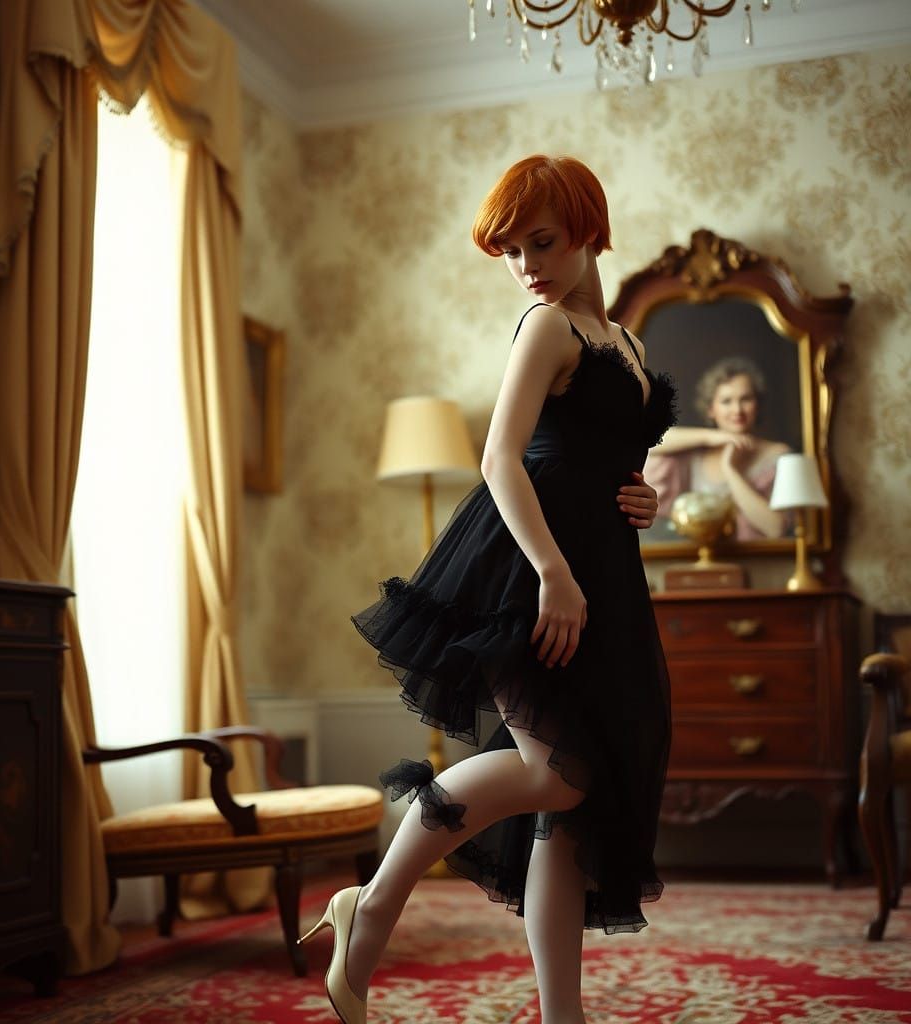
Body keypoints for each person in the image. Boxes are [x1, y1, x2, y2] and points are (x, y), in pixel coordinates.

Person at [298, 155, 677, 1024]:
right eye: (510, 252)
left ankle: (561, 1016)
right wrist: (552, 573)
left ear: (589, 229)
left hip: (605, 576)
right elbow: (499, 458)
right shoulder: (545, 326)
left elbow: (606, 460)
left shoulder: (628, 344)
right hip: (528, 568)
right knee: (558, 773)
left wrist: (644, 497)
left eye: (540, 243)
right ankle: (374, 904)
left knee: (573, 809)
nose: (526, 266)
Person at [643, 357, 790, 541]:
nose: (737, 410)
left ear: (757, 405)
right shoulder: (696, 453)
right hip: (696, 556)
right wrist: (710, 437)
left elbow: (776, 529)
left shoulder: (778, 455)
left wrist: (731, 470)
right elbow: (650, 441)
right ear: (711, 409)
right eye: (726, 401)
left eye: (745, 399)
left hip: (758, 557)